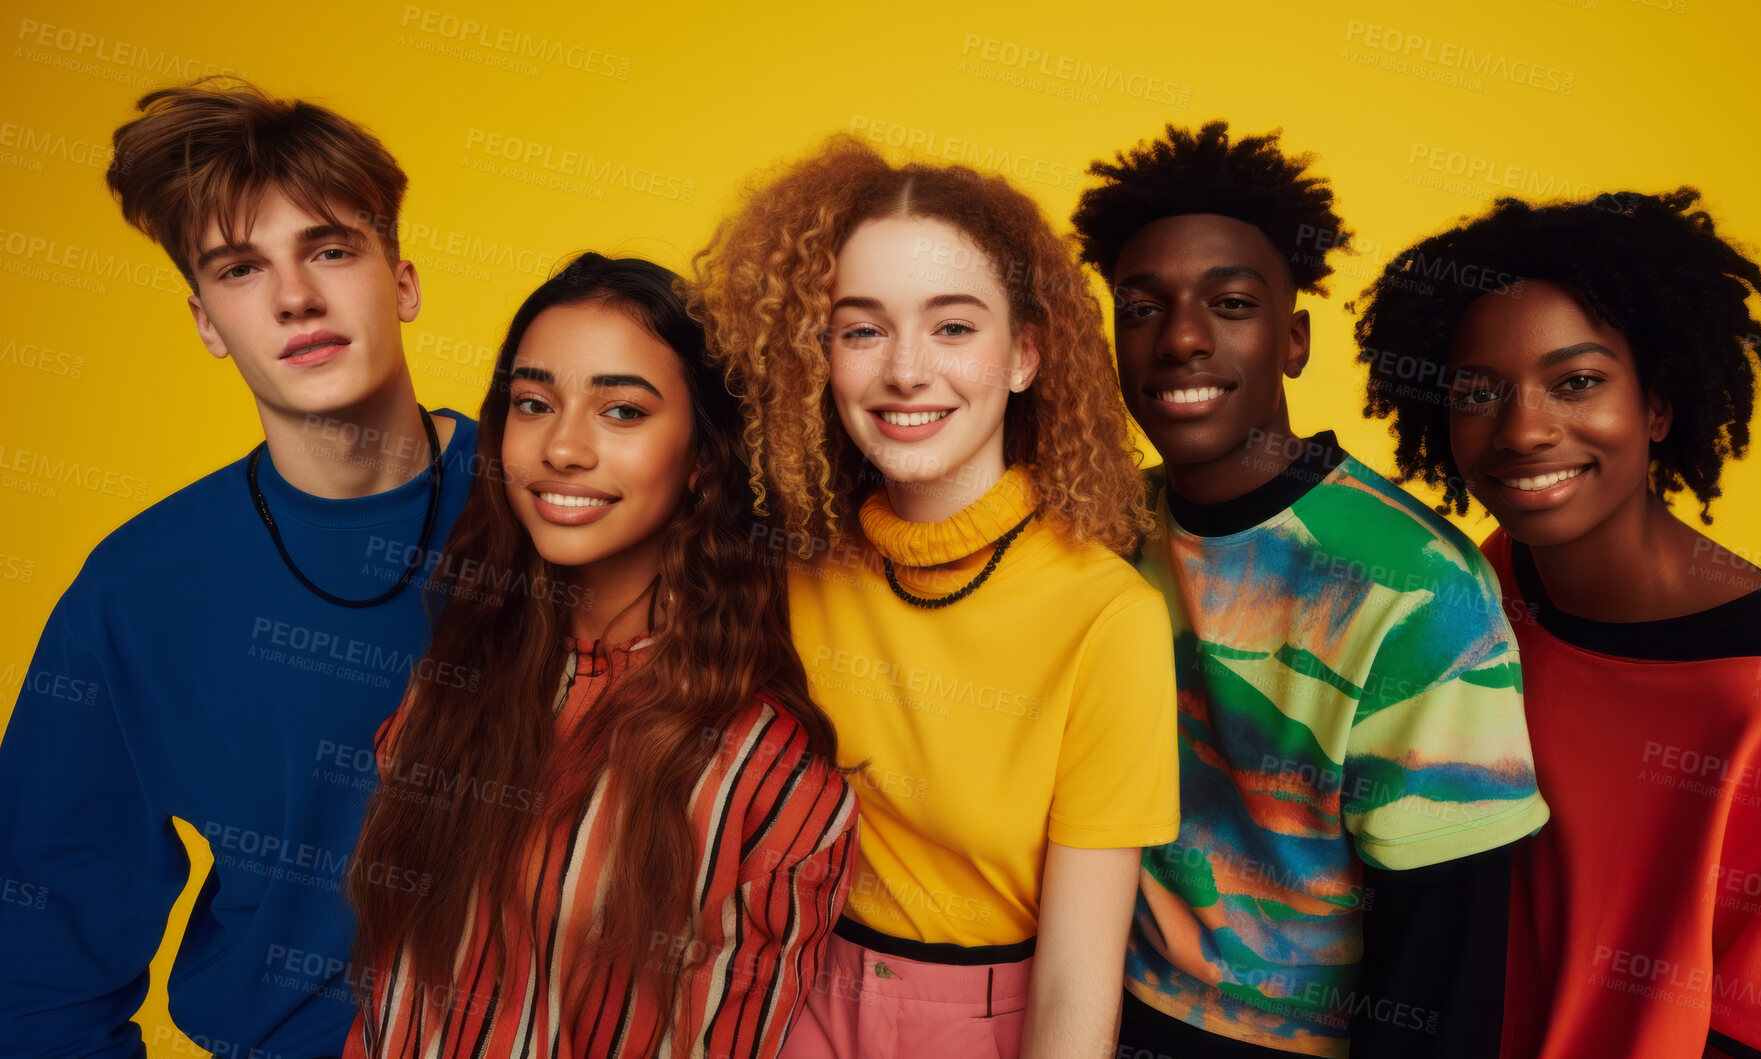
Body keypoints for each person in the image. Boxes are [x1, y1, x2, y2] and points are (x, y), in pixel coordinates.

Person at [0, 79, 480, 1057]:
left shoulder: (567, 512)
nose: (295, 297)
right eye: (240, 269)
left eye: (330, 249)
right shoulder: (140, 590)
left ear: (403, 281)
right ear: (207, 324)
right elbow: (41, 960)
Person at [1352, 188, 1761, 1058]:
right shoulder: (1470, 594)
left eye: (1577, 382)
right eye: (1478, 391)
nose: (1523, 429)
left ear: (1658, 406)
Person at [1070, 121, 1550, 1059]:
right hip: (1091, 1011)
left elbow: (1441, 980)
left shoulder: (1416, 590)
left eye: (1231, 302)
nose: (1179, 338)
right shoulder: (1102, 528)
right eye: (1140, 307)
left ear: (1291, 340)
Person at [694, 137, 1179, 1058]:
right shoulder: (789, 564)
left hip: (985, 1027)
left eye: (953, 327)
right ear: (818, 355)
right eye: (862, 329)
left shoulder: (1105, 616)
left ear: (1026, 354)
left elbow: (1078, 985)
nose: (906, 371)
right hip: (778, 1006)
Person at [342, 253, 857, 1057]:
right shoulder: (446, 686)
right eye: (533, 402)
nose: (563, 448)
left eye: (621, 411)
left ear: (699, 458)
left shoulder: (771, 778)